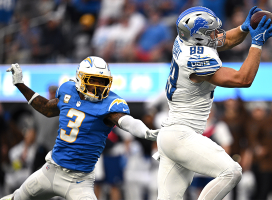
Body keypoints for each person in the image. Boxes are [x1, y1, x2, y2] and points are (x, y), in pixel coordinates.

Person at [156, 6, 272, 200]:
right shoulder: (195, 59)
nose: (217, 34)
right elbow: (242, 79)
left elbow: (224, 40)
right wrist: (257, 44)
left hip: (172, 134)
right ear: (199, 37)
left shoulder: (184, 39)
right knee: (232, 171)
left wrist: (244, 28)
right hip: (181, 136)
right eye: (211, 32)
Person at [1, 56, 159, 200]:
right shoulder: (68, 91)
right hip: (51, 170)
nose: (98, 86)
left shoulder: (110, 104)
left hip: (79, 180)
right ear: (80, 79)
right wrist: (20, 84)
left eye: (102, 82)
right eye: (93, 81)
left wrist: (146, 132)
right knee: (17, 198)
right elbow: (46, 108)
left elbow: (127, 121)